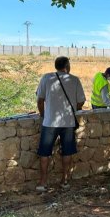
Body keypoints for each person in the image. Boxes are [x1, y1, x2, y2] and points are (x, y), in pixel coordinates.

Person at [36, 56, 86, 191]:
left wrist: (43, 115)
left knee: (44, 153)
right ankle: (65, 181)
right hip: (68, 122)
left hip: (49, 122)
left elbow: (40, 100)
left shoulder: (46, 78)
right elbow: (81, 101)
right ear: (67, 66)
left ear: (56, 66)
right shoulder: (74, 80)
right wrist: (74, 109)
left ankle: (43, 182)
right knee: (67, 152)